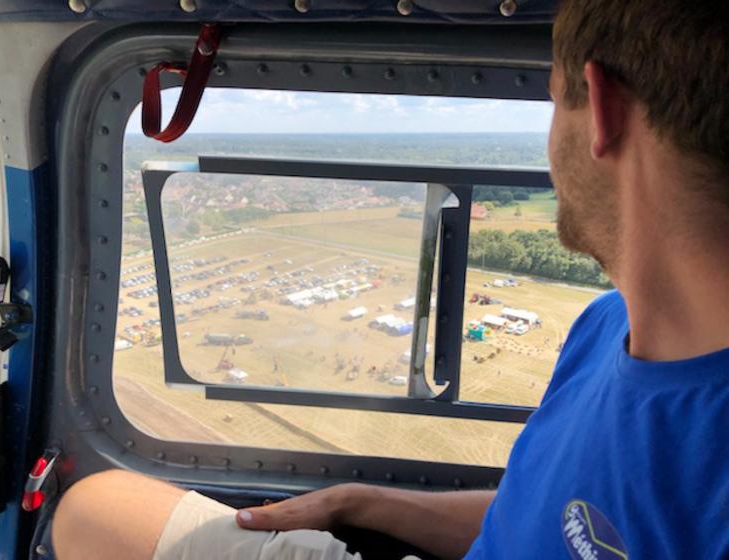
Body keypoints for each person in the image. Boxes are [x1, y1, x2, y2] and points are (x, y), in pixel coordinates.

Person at [52, 1, 729, 558]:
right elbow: (552, 515)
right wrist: (367, 502)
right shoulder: (604, 325)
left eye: (554, 102)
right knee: (98, 510)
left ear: (601, 111)